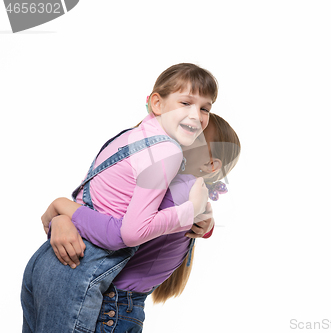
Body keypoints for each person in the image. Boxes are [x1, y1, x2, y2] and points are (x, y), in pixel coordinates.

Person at [21, 63, 220, 332]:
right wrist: (193, 211)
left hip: (47, 264)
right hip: (89, 278)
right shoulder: (165, 153)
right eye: (185, 103)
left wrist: (61, 210)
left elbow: (96, 203)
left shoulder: (130, 138)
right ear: (157, 104)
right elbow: (128, 233)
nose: (196, 115)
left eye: (205, 108)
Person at [40, 113, 240, 332]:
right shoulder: (191, 195)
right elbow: (106, 214)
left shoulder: (181, 189)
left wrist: (62, 208)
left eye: (197, 134)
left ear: (210, 164)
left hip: (109, 305)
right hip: (122, 305)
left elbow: (113, 231)